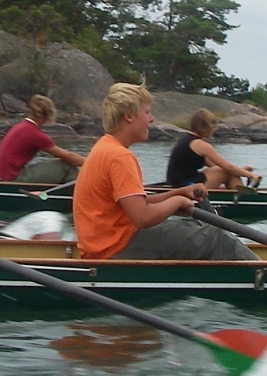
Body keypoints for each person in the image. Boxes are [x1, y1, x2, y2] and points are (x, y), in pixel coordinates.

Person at [73, 82, 253, 261]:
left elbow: (138, 203)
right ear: (129, 116)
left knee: (194, 232)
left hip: (103, 244)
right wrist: (176, 202)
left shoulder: (104, 147)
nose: (151, 119)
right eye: (147, 112)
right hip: (115, 247)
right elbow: (142, 218)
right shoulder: (120, 157)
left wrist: (180, 193)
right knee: (216, 239)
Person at [0, 94, 86, 183]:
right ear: (46, 115)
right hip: (13, 178)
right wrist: (91, 164)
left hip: (2, 176)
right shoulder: (34, 134)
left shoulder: (20, 127)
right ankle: (78, 195)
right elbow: (67, 156)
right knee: (66, 166)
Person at [165, 108, 258, 191]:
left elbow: (214, 165)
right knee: (227, 172)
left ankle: (237, 196)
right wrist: (250, 175)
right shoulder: (200, 144)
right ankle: (241, 200)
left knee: (228, 172)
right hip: (184, 185)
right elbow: (228, 167)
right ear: (208, 128)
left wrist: (241, 171)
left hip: (179, 181)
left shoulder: (187, 139)